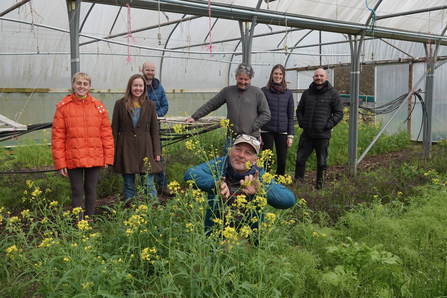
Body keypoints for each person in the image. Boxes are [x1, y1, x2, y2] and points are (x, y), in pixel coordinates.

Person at [184, 134, 295, 240]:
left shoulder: (258, 176)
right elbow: (191, 173)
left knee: (230, 248)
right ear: (230, 150)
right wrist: (214, 184)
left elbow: (289, 199)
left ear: (255, 161)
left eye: (248, 153)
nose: (241, 155)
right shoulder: (219, 165)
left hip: (246, 236)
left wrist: (260, 189)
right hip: (215, 233)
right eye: (237, 149)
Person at [51, 72, 115, 221]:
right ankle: (79, 223)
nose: (82, 86)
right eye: (78, 83)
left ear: (89, 86)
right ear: (73, 84)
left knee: (91, 189)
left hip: (94, 155)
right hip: (73, 156)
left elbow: (106, 134)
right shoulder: (63, 108)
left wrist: (108, 157)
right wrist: (60, 163)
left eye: (85, 84)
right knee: (77, 191)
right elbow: (57, 137)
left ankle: (90, 219)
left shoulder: (98, 106)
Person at [185, 63, 271, 154]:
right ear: (236, 76)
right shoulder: (228, 91)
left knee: (248, 163)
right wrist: (194, 116)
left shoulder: (257, 92)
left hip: (251, 136)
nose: (243, 82)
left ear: (250, 79)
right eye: (240, 78)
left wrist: (253, 126)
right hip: (232, 136)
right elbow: (211, 104)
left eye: (246, 79)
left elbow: (266, 114)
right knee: (229, 160)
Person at [111, 74, 164, 203]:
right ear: (130, 86)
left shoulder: (150, 105)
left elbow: (154, 131)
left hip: (146, 148)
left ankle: (152, 211)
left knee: (148, 183)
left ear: (144, 88)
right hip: (126, 148)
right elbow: (114, 130)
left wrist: (157, 152)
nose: (138, 88)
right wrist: (112, 152)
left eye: (141, 86)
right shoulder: (119, 104)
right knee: (128, 183)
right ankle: (130, 210)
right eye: (135, 85)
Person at [294, 68, 343, 189]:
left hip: (322, 135)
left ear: (326, 78)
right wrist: (302, 123)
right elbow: (300, 110)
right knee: (300, 160)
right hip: (307, 134)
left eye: (321, 76)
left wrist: (329, 124)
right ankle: (298, 184)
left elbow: (339, 113)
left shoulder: (333, 93)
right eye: (316, 76)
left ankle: (320, 187)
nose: (318, 78)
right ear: (313, 78)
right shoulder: (307, 93)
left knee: (322, 163)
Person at [141, 61, 172, 196]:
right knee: (143, 157)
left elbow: (165, 105)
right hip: (140, 129)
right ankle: (146, 187)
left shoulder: (159, 87)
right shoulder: (137, 86)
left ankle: (162, 185)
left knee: (158, 156)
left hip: (155, 128)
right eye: (147, 70)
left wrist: (156, 114)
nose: (150, 73)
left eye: (152, 70)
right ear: (142, 71)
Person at [260, 64, 295, 176]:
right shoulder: (263, 92)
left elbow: (290, 115)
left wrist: (290, 136)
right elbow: (258, 112)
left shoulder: (288, 94)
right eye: (276, 73)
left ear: (283, 76)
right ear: (271, 75)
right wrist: (258, 131)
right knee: (267, 161)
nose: (278, 76)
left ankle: (278, 183)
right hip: (266, 131)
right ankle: (266, 183)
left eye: (280, 74)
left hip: (282, 131)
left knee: (282, 161)